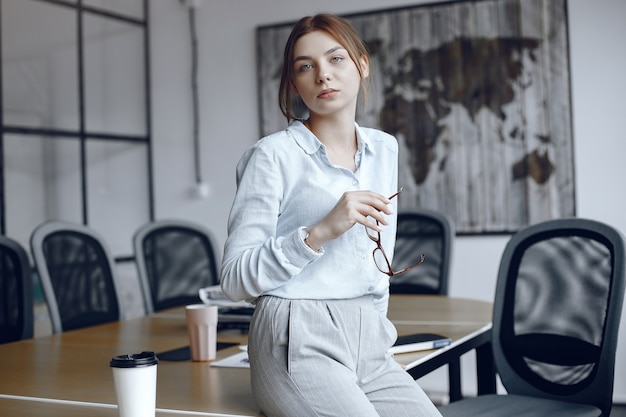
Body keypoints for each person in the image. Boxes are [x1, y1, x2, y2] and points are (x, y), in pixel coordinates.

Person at [220, 13, 442, 417]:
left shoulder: (384, 148)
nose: (323, 75)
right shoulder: (272, 156)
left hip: (366, 338)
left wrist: (375, 331)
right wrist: (319, 232)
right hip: (293, 333)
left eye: (336, 59)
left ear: (362, 64)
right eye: (306, 66)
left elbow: (378, 262)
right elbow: (234, 279)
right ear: (294, 83)